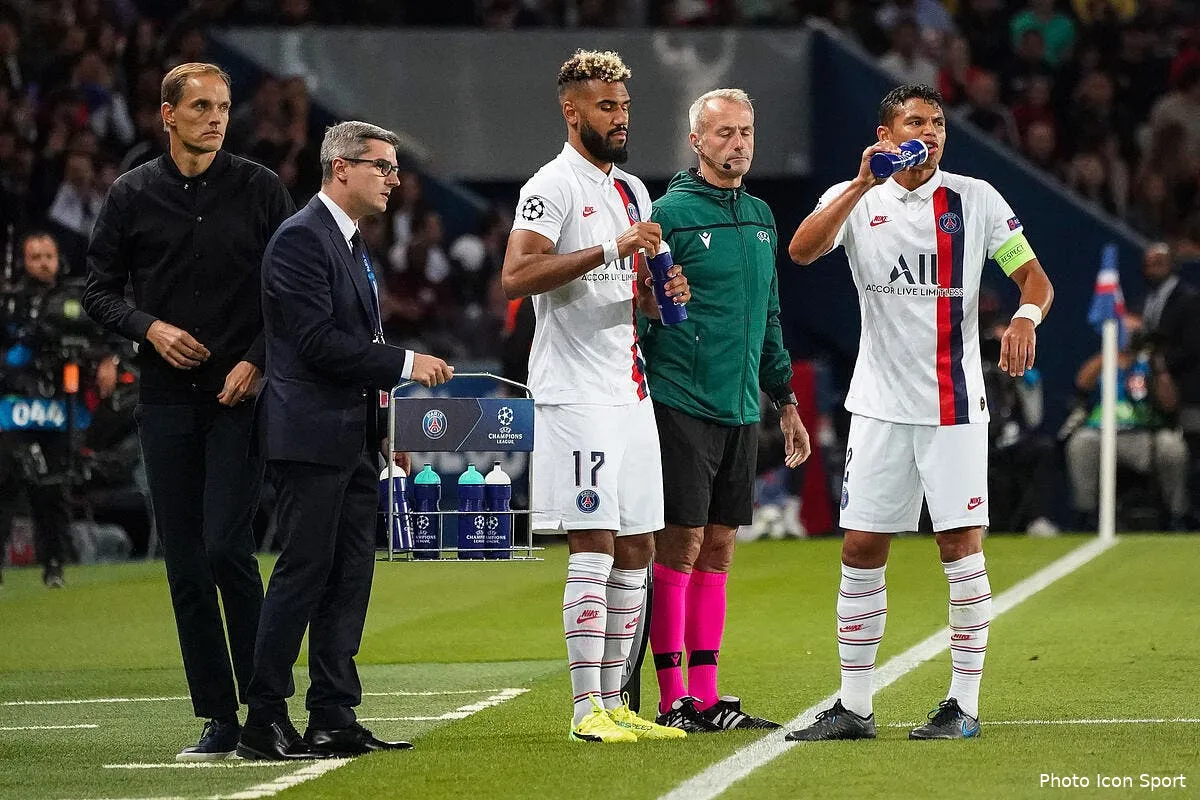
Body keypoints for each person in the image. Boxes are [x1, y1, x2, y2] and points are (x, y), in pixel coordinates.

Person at [785, 84, 1054, 741]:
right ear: (885, 132)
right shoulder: (858, 198)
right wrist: (856, 183)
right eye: (915, 122)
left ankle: (964, 705)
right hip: (877, 406)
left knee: (959, 547)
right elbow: (801, 250)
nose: (930, 134)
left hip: (954, 404)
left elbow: (1036, 280)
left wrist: (1023, 318)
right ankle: (855, 707)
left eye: (937, 124)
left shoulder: (975, 199)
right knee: (860, 546)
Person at [82, 63, 296, 761]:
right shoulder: (131, 194)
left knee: (227, 546)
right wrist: (149, 327)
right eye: (201, 106)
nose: (216, 117)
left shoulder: (261, 189)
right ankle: (218, 716)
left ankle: (266, 707)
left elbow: (293, 288)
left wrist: (257, 360)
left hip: (239, 397)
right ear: (167, 116)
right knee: (183, 563)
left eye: (224, 106)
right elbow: (98, 291)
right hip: (167, 400)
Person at [238, 121, 454, 761]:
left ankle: (333, 714)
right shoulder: (302, 240)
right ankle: (264, 717)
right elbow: (315, 344)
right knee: (303, 576)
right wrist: (406, 366)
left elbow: (357, 347)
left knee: (348, 578)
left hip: (353, 436)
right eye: (382, 167)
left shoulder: (349, 242)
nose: (394, 179)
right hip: (310, 438)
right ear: (340, 168)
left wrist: (388, 424)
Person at [501, 49, 690, 744]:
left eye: (625, 107)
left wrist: (655, 294)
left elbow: (624, 291)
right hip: (574, 391)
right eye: (606, 108)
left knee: (640, 543)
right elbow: (517, 275)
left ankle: (617, 702)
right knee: (596, 541)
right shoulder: (550, 185)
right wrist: (611, 249)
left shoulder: (634, 191)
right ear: (571, 110)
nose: (619, 119)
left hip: (628, 386)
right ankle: (585, 711)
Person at [636, 88, 811, 733]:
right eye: (724, 134)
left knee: (721, 547)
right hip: (680, 397)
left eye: (746, 132)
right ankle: (668, 696)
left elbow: (769, 317)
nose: (737, 143)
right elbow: (645, 307)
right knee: (678, 544)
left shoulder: (763, 217)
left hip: (740, 406)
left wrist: (785, 399)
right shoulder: (668, 215)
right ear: (697, 142)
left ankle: (707, 696)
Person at [0, 232, 116, 588]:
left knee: (52, 487)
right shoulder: (10, 302)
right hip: (16, 404)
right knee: (6, 480)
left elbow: (105, 334)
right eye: (35, 257)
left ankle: (53, 565)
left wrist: (108, 359)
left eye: (48, 255)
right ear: (24, 261)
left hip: (58, 404)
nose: (43, 263)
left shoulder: (77, 296)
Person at [1064, 318, 1189, 530]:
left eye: (1135, 332)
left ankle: (1177, 514)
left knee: (1172, 447)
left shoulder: (1148, 363)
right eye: (1125, 332)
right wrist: (1110, 352)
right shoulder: (1104, 360)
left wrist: (1156, 363)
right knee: (1080, 443)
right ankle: (1085, 515)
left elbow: (1170, 404)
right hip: (1102, 434)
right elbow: (1082, 383)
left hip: (1144, 435)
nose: (1130, 338)